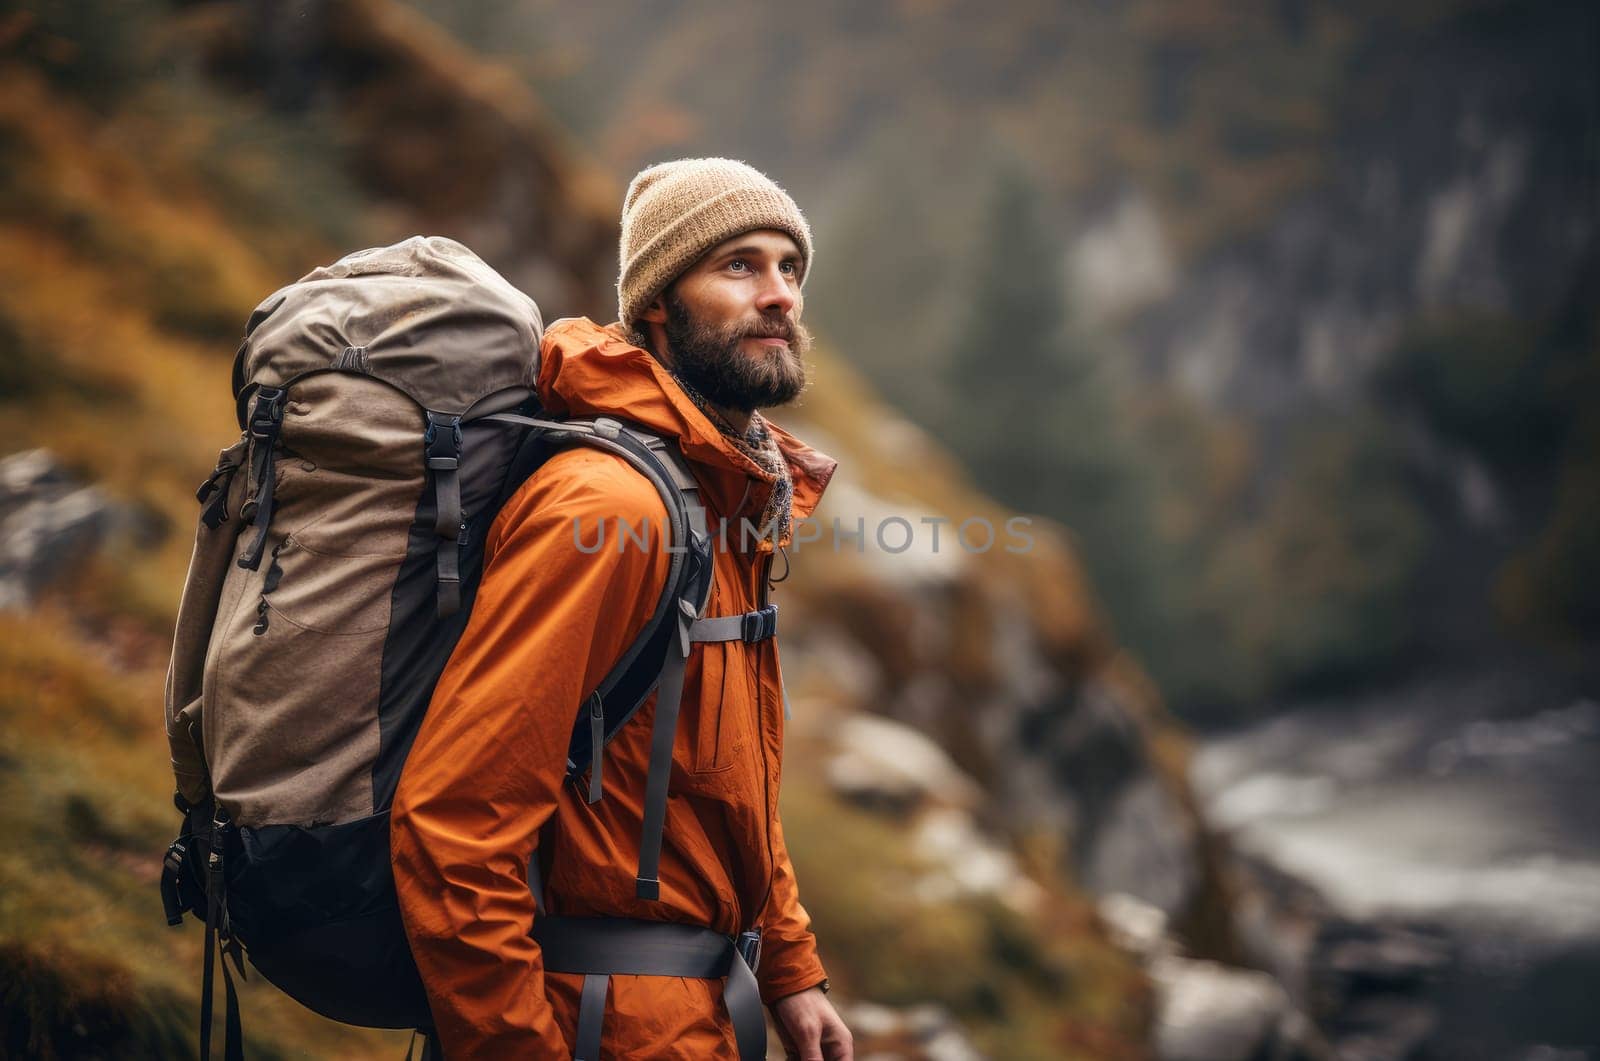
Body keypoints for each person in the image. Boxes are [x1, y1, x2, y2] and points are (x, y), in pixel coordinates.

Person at [390, 158, 854, 1061]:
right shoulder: (611, 509)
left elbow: (722, 784)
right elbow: (455, 821)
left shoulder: (718, 501)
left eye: (789, 268)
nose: (779, 296)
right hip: (599, 1023)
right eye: (738, 267)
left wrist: (790, 968)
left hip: (696, 1013)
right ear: (655, 304)